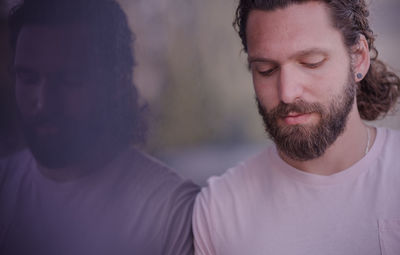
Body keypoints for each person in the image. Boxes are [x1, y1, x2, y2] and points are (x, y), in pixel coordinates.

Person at [193, 0, 400, 254]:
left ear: (358, 59)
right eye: (266, 70)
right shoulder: (220, 211)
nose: (287, 93)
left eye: (311, 62)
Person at [0, 0, 199, 254]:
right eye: (28, 78)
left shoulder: (168, 210)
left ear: (117, 82)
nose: (43, 101)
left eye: (70, 79)